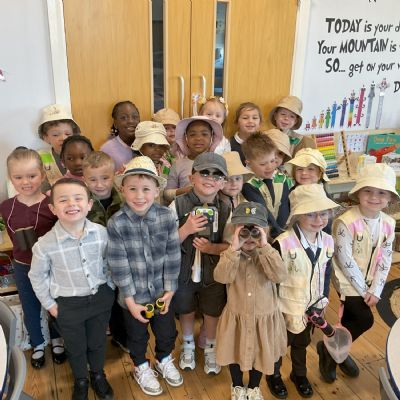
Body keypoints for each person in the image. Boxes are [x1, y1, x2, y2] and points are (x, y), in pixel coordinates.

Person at [29, 178, 115, 400]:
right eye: (63, 200)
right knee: (75, 347)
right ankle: (81, 379)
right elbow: (37, 276)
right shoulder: (45, 244)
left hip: (100, 299)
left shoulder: (102, 233)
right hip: (67, 305)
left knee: (97, 342)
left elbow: (110, 262)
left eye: (78, 198)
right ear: (53, 208)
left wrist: (110, 287)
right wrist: (50, 305)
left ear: (89, 204)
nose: (71, 204)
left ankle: (97, 374)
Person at [107, 156, 182, 396]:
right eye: (132, 189)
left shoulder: (166, 217)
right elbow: (118, 265)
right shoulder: (116, 223)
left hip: (162, 293)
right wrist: (130, 301)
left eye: (146, 189)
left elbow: (172, 255)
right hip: (133, 298)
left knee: (167, 332)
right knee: (136, 337)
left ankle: (163, 358)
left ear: (157, 190)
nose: (139, 196)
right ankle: (140, 365)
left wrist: (170, 290)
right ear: (122, 190)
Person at [317, 164, 398, 384]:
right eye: (368, 190)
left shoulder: (389, 223)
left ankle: (336, 351)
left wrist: (377, 289)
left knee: (350, 319)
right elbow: (345, 260)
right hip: (346, 278)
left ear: (390, 197)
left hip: (369, 280)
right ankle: (332, 349)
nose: (374, 197)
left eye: (381, 192)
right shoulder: (345, 222)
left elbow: (385, 258)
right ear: (358, 193)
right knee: (364, 319)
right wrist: (364, 292)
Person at [266, 184, 338, 399]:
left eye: (323, 213)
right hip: (285, 306)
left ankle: (299, 374)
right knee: (280, 344)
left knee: (302, 343)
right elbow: (272, 281)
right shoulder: (282, 244)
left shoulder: (328, 241)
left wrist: (323, 299)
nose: (318, 219)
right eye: (310, 214)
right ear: (297, 215)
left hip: (312, 306)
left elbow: (326, 272)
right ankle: (273, 375)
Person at [214, 202, 287, 400]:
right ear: (234, 232)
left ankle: (254, 387)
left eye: (255, 231)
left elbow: (280, 276)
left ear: (265, 232)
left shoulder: (270, 254)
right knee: (234, 351)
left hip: (263, 317)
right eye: (243, 231)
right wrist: (233, 249)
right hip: (237, 316)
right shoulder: (229, 255)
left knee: (260, 353)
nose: (249, 237)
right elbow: (221, 277)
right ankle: (237, 385)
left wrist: (264, 246)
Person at [0, 148, 65, 369]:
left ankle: (57, 339)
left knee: (55, 302)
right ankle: (37, 343)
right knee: (30, 306)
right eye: (18, 177)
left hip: (51, 266)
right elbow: (12, 237)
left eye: (32, 175)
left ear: (43, 175)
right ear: (11, 178)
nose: (25, 182)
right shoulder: (6, 207)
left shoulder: (52, 205)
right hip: (23, 266)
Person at [170, 152, 230, 375]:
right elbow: (165, 243)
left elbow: (231, 245)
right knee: (185, 307)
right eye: (204, 172)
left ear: (223, 182)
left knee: (212, 309)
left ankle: (211, 347)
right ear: (192, 177)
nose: (210, 178)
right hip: (183, 270)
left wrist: (211, 248)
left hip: (213, 272)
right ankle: (187, 344)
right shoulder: (176, 205)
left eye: (217, 175)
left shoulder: (226, 208)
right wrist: (186, 229)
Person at [82, 151, 127, 353]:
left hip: (120, 262)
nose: (99, 184)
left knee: (120, 303)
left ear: (114, 175)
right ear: (84, 179)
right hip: (94, 265)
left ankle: (120, 337)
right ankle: (94, 342)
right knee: (98, 304)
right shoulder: (82, 203)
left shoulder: (124, 200)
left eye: (105, 178)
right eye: (93, 179)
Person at [241, 133, 291, 237]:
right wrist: (278, 234)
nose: (269, 167)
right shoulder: (248, 185)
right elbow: (263, 212)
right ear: (249, 163)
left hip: (284, 234)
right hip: (263, 235)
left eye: (272, 161)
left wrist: (284, 233)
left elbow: (285, 207)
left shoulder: (282, 178)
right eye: (263, 164)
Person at [164, 116, 223, 203]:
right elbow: (166, 194)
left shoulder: (219, 163)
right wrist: (184, 191)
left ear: (212, 137)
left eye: (204, 134)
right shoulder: (178, 165)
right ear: (186, 138)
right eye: (192, 135)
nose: (198, 138)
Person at [37, 103, 81, 185]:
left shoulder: (82, 154)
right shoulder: (41, 156)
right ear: (46, 137)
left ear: (74, 134)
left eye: (67, 134)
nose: (63, 138)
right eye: (55, 135)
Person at [100, 101, 140, 171]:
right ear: (115, 124)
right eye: (123, 118)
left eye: (134, 117)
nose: (130, 121)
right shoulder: (106, 150)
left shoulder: (146, 145)